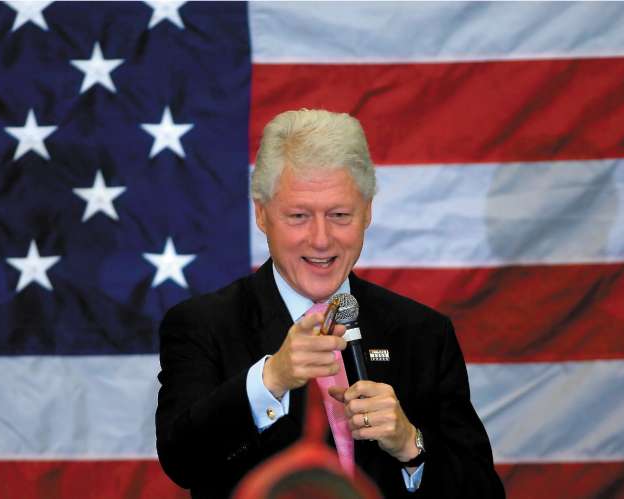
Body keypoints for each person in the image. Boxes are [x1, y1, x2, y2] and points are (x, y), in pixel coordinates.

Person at [156, 109, 505, 498]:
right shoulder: (203, 325)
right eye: (299, 216)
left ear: (367, 212)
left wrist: (410, 445)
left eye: (340, 215)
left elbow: (483, 492)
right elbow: (182, 460)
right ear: (261, 213)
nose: (321, 240)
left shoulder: (422, 332)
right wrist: (271, 380)